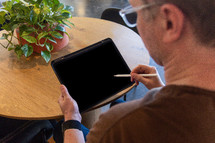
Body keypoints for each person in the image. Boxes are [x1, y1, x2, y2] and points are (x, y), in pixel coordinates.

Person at [56, 0, 215, 142]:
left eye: (136, 13)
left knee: (58, 129)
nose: (137, 23)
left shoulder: (121, 127)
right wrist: (160, 89)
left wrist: (72, 118)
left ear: (170, 22)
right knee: (117, 102)